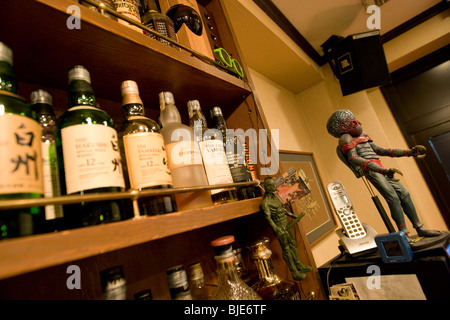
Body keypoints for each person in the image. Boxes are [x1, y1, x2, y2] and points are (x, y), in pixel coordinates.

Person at [326, 109, 441, 238]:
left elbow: (381, 150)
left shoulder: (363, 135)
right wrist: (381, 170)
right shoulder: (345, 138)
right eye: (348, 121)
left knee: (404, 194)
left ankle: (419, 228)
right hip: (372, 171)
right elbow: (353, 158)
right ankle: (403, 233)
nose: (355, 122)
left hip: (381, 168)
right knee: (392, 197)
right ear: (342, 126)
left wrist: (409, 152)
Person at [260, 177, 312, 280]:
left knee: (293, 244)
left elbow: (283, 210)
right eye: (271, 186)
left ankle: (299, 265)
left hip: (286, 223)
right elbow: (268, 218)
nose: (274, 187)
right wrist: (276, 229)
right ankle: (294, 272)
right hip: (279, 226)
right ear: (267, 188)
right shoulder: (265, 203)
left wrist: (293, 216)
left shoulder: (277, 198)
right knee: (286, 249)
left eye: (274, 185)